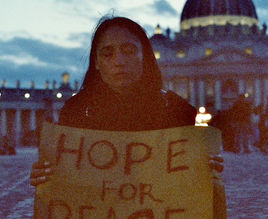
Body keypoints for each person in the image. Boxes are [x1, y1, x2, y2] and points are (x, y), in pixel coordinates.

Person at [30, 16, 226, 218]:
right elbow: (67, 182)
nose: (119, 61)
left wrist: (207, 168)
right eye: (108, 53)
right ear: (96, 62)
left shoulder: (177, 109)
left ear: (145, 57)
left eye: (129, 51)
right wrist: (46, 176)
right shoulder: (75, 111)